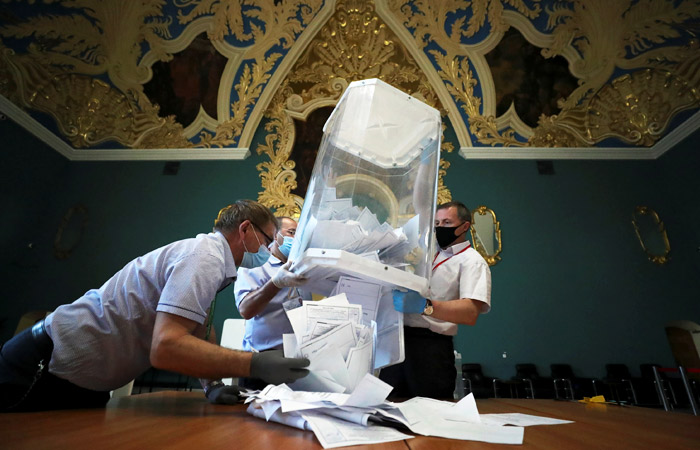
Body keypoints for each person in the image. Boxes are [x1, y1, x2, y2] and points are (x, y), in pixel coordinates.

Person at [0, 200, 310, 412]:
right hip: (45, 367)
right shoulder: (205, 257)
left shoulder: (213, 260)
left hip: (79, 380)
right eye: (267, 239)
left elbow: (199, 328)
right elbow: (165, 347)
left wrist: (213, 384)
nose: (269, 249)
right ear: (245, 230)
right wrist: (254, 364)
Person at [379, 201, 491, 399]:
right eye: (437, 223)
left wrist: (424, 306)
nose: (440, 228)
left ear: (464, 226)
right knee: (389, 405)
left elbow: (470, 312)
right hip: (398, 343)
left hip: (431, 348)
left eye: (447, 223)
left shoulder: (472, 262)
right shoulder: (427, 253)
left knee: (431, 409)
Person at [234, 217, 308, 390]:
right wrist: (275, 283)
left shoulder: (303, 268)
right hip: (262, 363)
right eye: (291, 233)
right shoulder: (255, 265)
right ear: (275, 235)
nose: (297, 239)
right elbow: (245, 310)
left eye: (300, 235)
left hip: (295, 361)